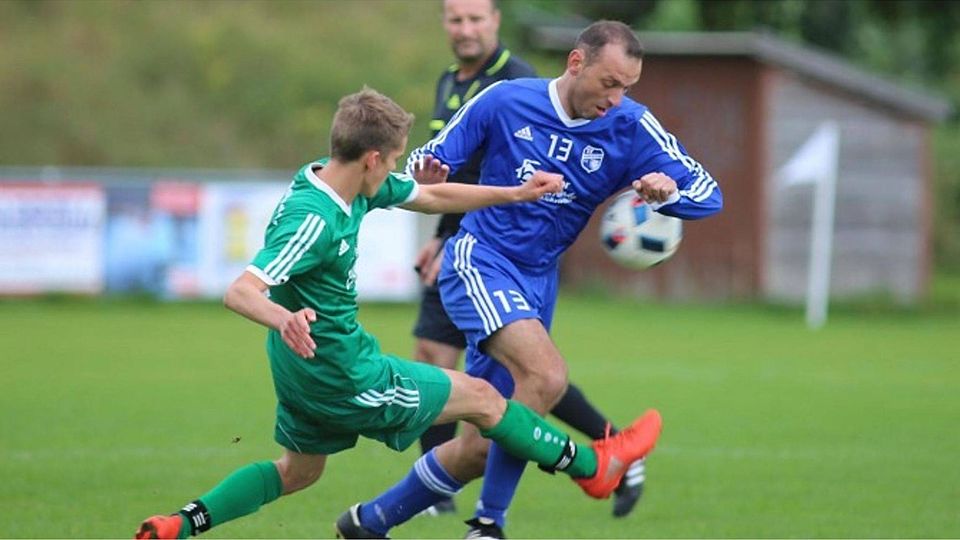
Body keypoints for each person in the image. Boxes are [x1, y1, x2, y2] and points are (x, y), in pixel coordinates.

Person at [132, 87, 663, 540]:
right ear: (371, 158)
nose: (395, 169)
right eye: (393, 159)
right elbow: (242, 291)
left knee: (298, 472)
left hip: (299, 369)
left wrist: (514, 192)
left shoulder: (335, 179)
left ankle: (182, 523)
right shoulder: (314, 219)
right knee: (483, 398)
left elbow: (431, 196)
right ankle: (596, 467)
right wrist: (283, 317)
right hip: (342, 370)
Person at [339, 21, 723, 540]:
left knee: (482, 442)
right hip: (480, 258)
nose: (616, 98)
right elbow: (430, 161)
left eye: (626, 87)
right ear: (576, 63)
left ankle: (369, 521)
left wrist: (665, 191)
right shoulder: (505, 100)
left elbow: (708, 192)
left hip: (539, 281)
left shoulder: (631, 126)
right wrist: (430, 171)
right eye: (609, 83)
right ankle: (493, 523)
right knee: (546, 376)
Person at [412, 0, 645, 520]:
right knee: (463, 361)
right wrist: (437, 232)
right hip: (464, 238)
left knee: (525, 375)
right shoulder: (450, 81)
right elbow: (451, 170)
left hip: (494, 248)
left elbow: (517, 176)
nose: (465, 29)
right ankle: (440, 490)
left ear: (496, 21)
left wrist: (450, 234)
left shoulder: (515, 83)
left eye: (476, 19)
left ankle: (606, 454)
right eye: (455, 19)